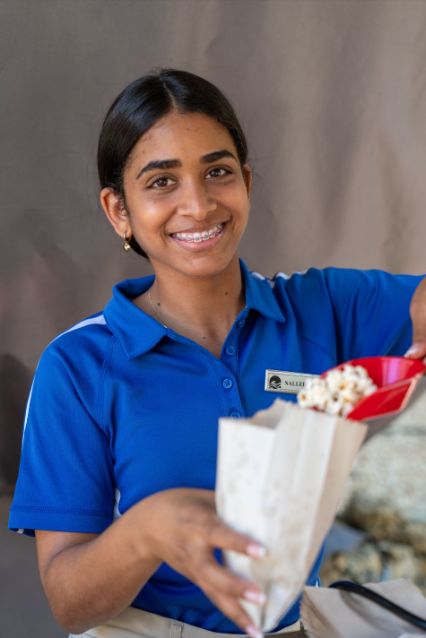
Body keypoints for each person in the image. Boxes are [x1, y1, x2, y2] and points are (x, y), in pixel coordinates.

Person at [9, 69, 426, 638]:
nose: (199, 204)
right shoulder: (79, 367)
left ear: (246, 182)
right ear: (118, 210)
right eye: (162, 182)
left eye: (218, 172)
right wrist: (148, 531)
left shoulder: (323, 307)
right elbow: (69, 603)